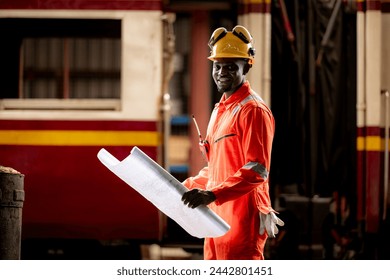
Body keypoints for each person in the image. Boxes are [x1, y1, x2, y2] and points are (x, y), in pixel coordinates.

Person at [181, 25, 283, 260]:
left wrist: (212, 195)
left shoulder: (253, 110)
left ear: (246, 66)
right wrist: (185, 186)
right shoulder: (221, 110)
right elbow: (220, 168)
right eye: (217, 66)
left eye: (231, 67)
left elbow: (257, 170)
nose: (221, 72)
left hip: (242, 218)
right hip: (216, 217)